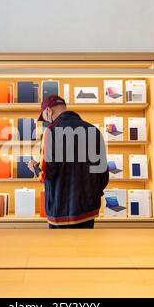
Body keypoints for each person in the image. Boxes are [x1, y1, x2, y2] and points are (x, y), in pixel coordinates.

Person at [27, 95, 109, 229]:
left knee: (60, 249)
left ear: (48, 111)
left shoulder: (51, 132)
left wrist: (35, 167)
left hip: (61, 212)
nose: (46, 121)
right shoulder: (93, 130)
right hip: (88, 210)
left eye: (45, 117)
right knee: (87, 249)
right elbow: (103, 174)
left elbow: (46, 174)